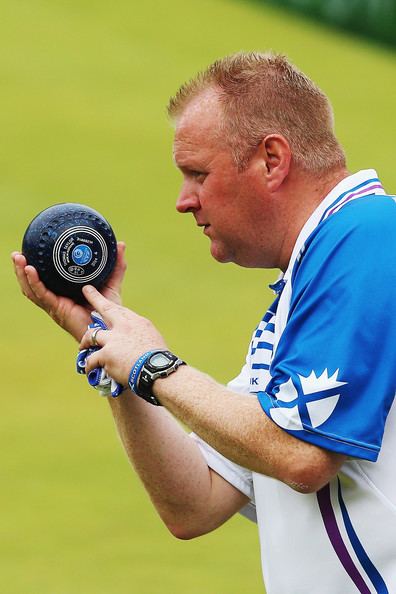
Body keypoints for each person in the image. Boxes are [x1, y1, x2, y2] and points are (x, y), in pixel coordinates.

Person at [13, 52, 396, 593]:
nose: (183, 201)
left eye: (198, 173)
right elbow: (194, 504)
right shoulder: (304, 289)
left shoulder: (371, 234)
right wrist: (109, 347)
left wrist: (154, 365)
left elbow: (303, 454)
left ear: (272, 160)